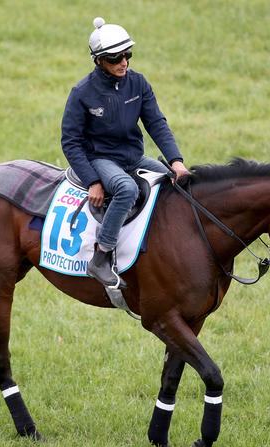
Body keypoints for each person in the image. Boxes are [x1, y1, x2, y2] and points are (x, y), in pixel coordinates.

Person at [61, 17, 190, 289]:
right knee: (126, 189)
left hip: (133, 158)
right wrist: (92, 181)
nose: (123, 62)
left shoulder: (139, 84)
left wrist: (176, 162)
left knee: (181, 183)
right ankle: (101, 256)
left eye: (127, 54)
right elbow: (70, 141)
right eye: (115, 57)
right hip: (102, 160)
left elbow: (156, 123)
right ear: (98, 60)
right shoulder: (81, 93)